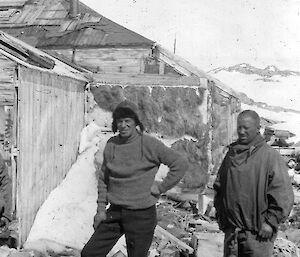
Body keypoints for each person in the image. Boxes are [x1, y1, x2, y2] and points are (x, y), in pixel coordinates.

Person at [81, 100, 188, 257]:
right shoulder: (112, 144)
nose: (123, 125)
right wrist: (100, 210)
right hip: (115, 213)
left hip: (142, 215)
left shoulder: (149, 144)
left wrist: (160, 187)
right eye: (119, 121)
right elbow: (104, 179)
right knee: (89, 253)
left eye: (127, 121)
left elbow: (180, 164)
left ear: (135, 122)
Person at [213, 110, 294, 257]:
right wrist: (221, 217)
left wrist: (270, 222)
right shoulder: (231, 154)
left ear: (257, 129)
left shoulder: (269, 156)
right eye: (239, 127)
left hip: (258, 236)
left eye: (246, 128)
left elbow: (283, 194)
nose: (242, 132)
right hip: (232, 234)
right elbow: (219, 187)